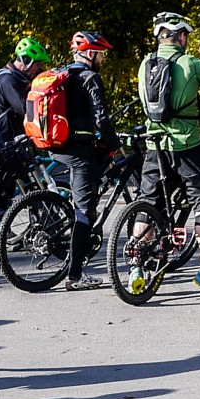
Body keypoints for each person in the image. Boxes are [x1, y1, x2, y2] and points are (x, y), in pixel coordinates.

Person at [137, 12, 200, 297]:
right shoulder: (193, 64)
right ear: (181, 37)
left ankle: (136, 263)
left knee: (150, 201)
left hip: (154, 145)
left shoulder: (145, 64)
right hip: (187, 145)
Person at [51, 32, 119, 290]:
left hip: (57, 146)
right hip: (78, 151)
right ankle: (75, 276)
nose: (102, 59)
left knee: (82, 195)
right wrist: (114, 143)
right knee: (84, 212)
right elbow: (101, 117)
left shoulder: (63, 74)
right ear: (90, 53)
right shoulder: (90, 78)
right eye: (100, 54)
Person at [0, 36, 53, 217]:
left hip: (12, 141)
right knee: (16, 186)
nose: (38, 69)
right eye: (37, 65)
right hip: (4, 141)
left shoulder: (14, 78)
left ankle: (2, 228)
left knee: (14, 189)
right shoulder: (7, 80)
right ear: (26, 61)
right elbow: (25, 109)